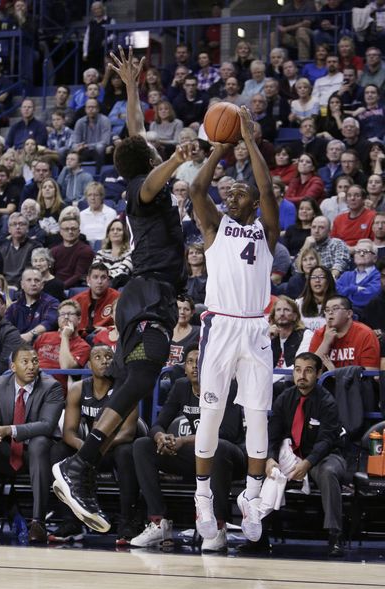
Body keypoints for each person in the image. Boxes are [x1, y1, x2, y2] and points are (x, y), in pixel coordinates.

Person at [51, 47, 193, 534]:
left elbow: (135, 136)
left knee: (138, 379)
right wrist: (175, 157)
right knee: (145, 373)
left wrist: (132, 88)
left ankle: (83, 464)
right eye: (153, 151)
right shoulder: (139, 188)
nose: (152, 146)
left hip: (143, 295)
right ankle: (78, 463)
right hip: (150, 291)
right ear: (149, 162)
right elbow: (151, 180)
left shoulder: (137, 167)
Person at [188, 105, 279, 543]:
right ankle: (203, 496)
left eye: (240, 191)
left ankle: (253, 497)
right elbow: (197, 188)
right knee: (212, 411)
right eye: (230, 190)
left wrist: (248, 141)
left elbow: (267, 187)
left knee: (257, 417)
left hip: (256, 329)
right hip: (221, 326)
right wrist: (219, 149)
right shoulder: (214, 228)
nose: (232, 192)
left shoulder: (267, 230)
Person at [131, 344, 246, 551]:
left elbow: (227, 432)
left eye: (200, 362)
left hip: (230, 457)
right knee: (143, 445)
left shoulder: (227, 386)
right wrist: (161, 437)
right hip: (195, 456)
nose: (195, 367)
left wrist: (184, 440)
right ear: (184, 367)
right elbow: (158, 423)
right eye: (190, 362)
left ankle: (218, 526)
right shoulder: (181, 386)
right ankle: (158, 523)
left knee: (217, 447)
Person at [49, 343, 141, 545]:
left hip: (114, 448)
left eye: (108, 356)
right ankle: (70, 523)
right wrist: (86, 450)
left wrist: (94, 451)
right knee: (58, 451)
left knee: (127, 452)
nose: (104, 360)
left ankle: (127, 522)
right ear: (89, 364)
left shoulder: (125, 388)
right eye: (98, 357)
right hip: (89, 451)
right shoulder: (77, 389)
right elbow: (69, 432)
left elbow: (127, 433)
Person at [263, 352, 347, 557]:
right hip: (290, 455)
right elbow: (272, 434)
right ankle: (258, 537)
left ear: (318, 373)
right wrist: (270, 458)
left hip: (326, 456)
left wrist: (308, 463)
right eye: (298, 369)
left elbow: (327, 440)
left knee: (328, 472)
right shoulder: (284, 398)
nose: (302, 375)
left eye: (308, 370)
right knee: (261, 468)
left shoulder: (327, 401)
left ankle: (336, 535)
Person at [0, 344, 64, 543]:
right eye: (25, 362)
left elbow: (47, 425)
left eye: (35, 361)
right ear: (13, 367)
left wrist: (9, 430)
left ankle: (38, 523)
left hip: (37, 456)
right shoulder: (0, 383)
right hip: (6, 451)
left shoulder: (51, 386)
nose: (31, 366)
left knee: (39, 443)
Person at [34, 299, 91, 394]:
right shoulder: (44, 336)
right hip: (34, 378)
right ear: (58, 319)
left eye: (70, 314)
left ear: (79, 319)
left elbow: (66, 367)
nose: (66, 317)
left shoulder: (83, 346)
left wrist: (65, 337)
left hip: (54, 387)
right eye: (62, 314)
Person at [309, 295, 380, 370]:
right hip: (327, 381)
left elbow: (371, 374)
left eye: (335, 309)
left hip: (356, 381)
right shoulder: (319, 334)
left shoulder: (365, 334)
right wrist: (325, 343)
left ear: (349, 313)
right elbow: (311, 371)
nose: (330, 312)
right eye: (327, 310)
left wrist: (335, 373)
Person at [269, 296, 313, 393]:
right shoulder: (267, 336)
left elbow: (300, 364)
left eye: (286, 310)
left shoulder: (306, 334)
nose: (282, 313)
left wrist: (269, 379)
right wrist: (266, 339)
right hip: (268, 382)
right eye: (278, 310)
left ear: (295, 316)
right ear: (273, 316)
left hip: (292, 383)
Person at [5, 267, 59, 342]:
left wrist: (30, 335)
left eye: (37, 280)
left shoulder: (52, 302)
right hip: (18, 346)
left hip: (43, 346)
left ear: (42, 285)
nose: (33, 283)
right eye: (29, 280)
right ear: (22, 285)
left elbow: (50, 322)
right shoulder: (13, 307)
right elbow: (6, 328)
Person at [0, 212, 41, 288]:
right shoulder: (2, 246)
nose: (17, 227)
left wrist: (17, 286)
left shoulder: (35, 246)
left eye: (21, 224)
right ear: (9, 229)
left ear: (27, 228)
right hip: (4, 286)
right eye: (14, 224)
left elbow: (30, 271)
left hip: (25, 286)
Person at [71, 261, 119, 340]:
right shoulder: (76, 300)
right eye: (95, 277)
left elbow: (125, 323)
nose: (99, 281)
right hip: (80, 341)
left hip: (106, 339)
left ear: (108, 280)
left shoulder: (117, 298)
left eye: (103, 277)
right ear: (88, 280)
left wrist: (109, 329)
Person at [335, 239, 381, 314]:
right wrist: (355, 289)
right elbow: (335, 292)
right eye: (358, 251)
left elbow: (368, 299)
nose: (361, 254)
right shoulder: (346, 275)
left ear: (375, 258)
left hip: (368, 317)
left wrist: (346, 293)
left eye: (366, 251)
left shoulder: (378, 276)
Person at [50, 216, 95, 289]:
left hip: (74, 288)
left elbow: (78, 276)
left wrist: (59, 288)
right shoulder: (53, 251)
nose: (70, 232)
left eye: (73, 229)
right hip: (56, 287)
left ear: (79, 231)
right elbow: (50, 274)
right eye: (66, 229)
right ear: (60, 232)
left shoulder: (86, 250)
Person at [331, 184, 376, 251]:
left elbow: (375, 242)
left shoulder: (373, 216)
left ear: (363, 199)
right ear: (346, 200)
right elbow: (333, 243)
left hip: (364, 253)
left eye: (357, 195)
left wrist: (354, 249)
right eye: (349, 196)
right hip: (341, 255)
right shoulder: (338, 219)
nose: (352, 198)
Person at [72, 98, 111, 173]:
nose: (91, 109)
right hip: (83, 151)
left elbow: (105, 142)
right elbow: (75, 142)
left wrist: (87, 146)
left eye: (93, 107)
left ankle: (98, 173)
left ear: (98, 109)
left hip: (99, 151)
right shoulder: (79, 122)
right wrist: (78, 147)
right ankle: (71, 175)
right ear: (85, 109)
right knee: (64, 151)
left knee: (99, 147)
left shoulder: (105, 120)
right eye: (88, 107)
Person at [296, 265, 337, 332]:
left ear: (328, 281)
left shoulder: (336, 304)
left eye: (321, 277)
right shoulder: (299, 303)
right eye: (314, 277)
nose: (317, 280)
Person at [167, 295, 200, 366]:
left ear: (192, 313)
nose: (182, 312)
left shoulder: (199, 332)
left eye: (186, 309)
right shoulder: (164, 330)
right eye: (179, 308)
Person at [82, 1, 115, 72]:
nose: (97, 10)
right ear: (93, 11)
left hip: (105, 51)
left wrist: (107, 41)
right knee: (93, 70)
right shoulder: (91, 23)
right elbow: (86, 39)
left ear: (103, 9)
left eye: (99, 8)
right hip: (93, 51)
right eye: (95, 9)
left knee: (104, 69)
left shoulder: (110, 20)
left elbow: (114, 34)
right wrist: (85, 53)